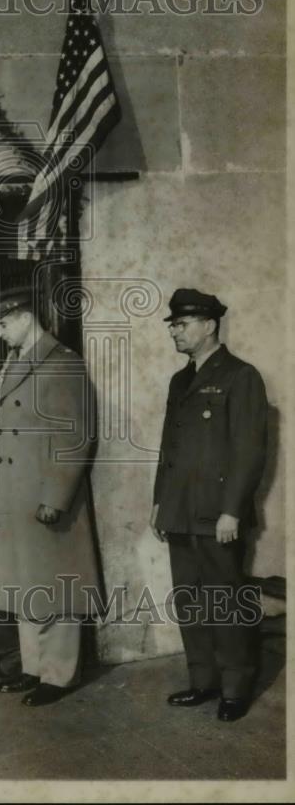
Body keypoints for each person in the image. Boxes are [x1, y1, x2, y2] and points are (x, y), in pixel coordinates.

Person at [150, 288, 268, 722]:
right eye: (173, 325)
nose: (174, 332)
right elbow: (169, 447)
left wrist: (232, 510)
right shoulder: (180, 380)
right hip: (180, 510)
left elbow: (249, 451)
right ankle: (203, 681)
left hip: (218, 514)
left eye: (181, 324)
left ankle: (236, 687)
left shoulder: (241, 376)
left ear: (209, 325)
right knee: (190, 601)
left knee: (224, 600)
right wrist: (159, 501)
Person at [0, 286, 99, 706]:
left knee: (56, 586)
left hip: (47, 495)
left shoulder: (62, 364)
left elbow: (76, 435)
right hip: (16, 495)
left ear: (23, 316)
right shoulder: (15, 363)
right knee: (25, 585)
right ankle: (34, 667)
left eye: (1, 324)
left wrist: (57, 496)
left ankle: (60, 673)